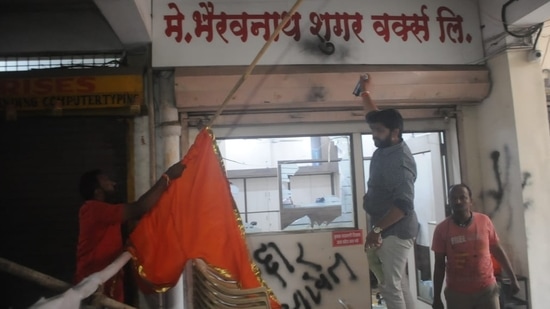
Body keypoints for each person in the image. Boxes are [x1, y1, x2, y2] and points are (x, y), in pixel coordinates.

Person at [74, 161, 186, 303]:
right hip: (90, 289)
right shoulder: (92, 209)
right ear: (98, 192)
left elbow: (141, 212)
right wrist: (167, 176)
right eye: (107, 181)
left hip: (108, 284)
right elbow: (140, 208)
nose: (113, 183)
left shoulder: (106, 210)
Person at [360, 74, 419, 309]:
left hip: (395, 231)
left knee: (389, 285)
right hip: (387, 229)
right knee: (398, 283)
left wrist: (376, 230)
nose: (374, 134)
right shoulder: (388, 142)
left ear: (395, 132)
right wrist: (364, 91)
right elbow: (372, 114)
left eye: (378, 131)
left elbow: (404, 205)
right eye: (373, 129)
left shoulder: (400, 162)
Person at [431, 183, 520, 309]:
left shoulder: (484, 221)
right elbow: (439, 265)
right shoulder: (441, 230)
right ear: (449, 202)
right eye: (453, 198)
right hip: (457, 294)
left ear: (470, 201)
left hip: (487, 291)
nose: (458, 201)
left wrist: (513, 278)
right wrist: (436, 297)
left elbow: (497, 250)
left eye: (463, 197)